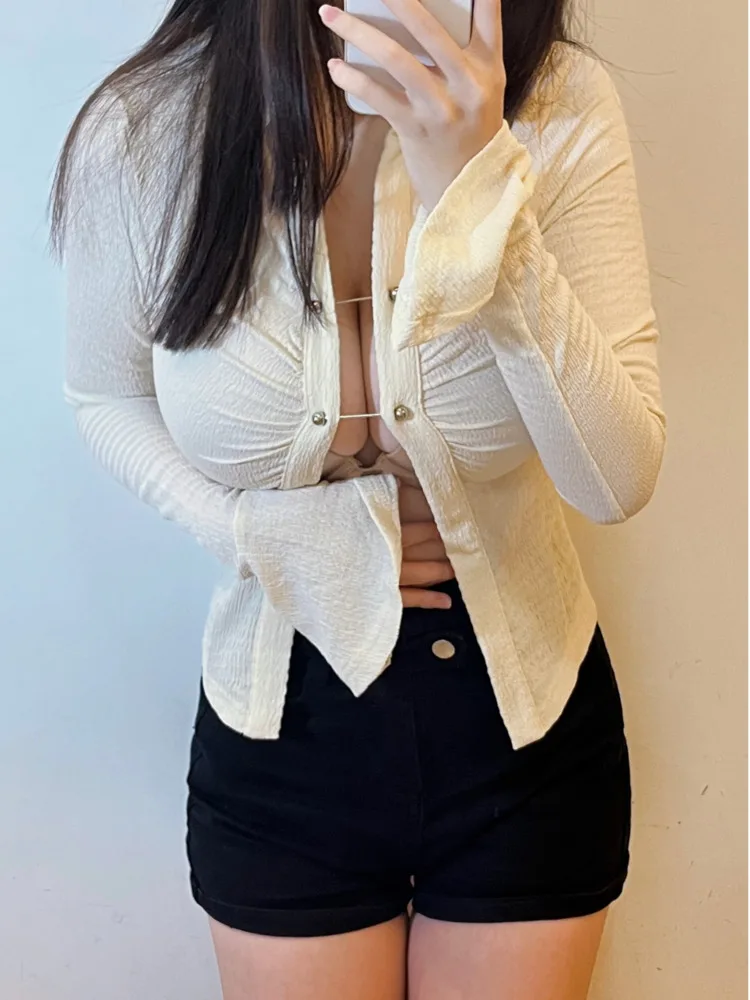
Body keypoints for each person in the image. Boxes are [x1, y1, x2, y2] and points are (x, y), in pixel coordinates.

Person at [53, 0, 666, 996]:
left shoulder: (558, 103)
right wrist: (251, 530)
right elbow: (104, 395)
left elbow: (614, 479)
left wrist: (479, 197)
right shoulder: (148, 128)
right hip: (281, 731)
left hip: (525, 726)